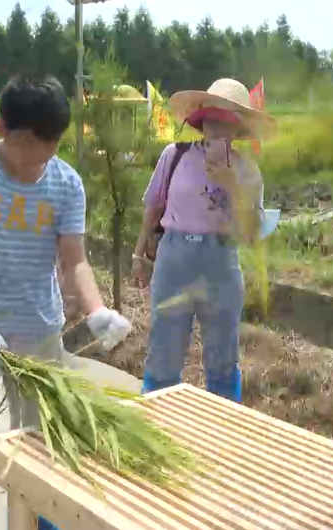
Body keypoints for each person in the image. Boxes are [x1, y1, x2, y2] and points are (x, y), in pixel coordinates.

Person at [0, 76, 134, 530]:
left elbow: (74, 260)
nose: (36, 158)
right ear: (1, 127)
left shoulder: (66, 183)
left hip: (39, 334)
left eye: (49, 146)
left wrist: (96, 309)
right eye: (26, 144)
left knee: (41, 446)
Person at [131, 78, 277, 402]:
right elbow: (154, 206)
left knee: (222, 357)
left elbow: (252, 232)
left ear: (238, 131)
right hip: (174, 258)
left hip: (221, 262)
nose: (217, 128)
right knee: (164, 350)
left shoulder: (248, 171)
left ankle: (224, 430)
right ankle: (156, 423)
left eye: (227, 122)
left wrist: (232, 184)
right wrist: (139, 254)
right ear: (201, 121)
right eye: (212, 119)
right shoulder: (175, 156)